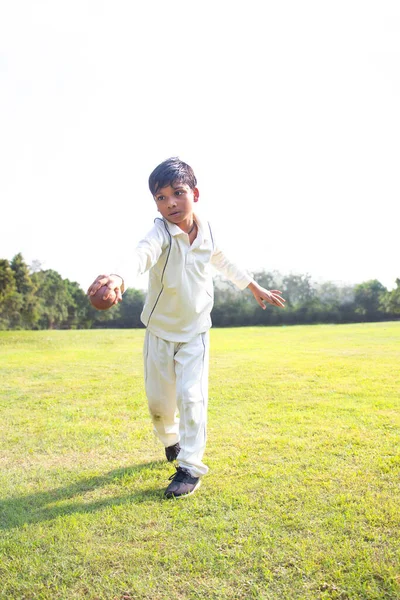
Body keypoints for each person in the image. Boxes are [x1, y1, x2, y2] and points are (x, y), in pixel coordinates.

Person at [88, 157, 285, 499]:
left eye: (177, 193)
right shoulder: (159, 232)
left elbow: (223, 259)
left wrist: (253, 285)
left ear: (195, 192)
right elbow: (140, 255)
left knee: (193, 397)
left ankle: (190, 468)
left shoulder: (207, 229)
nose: (170, 204)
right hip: (160, 332)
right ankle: (171, 442)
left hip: (196, 332)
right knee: (159, 404)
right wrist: (118, 278)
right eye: (161, 198)